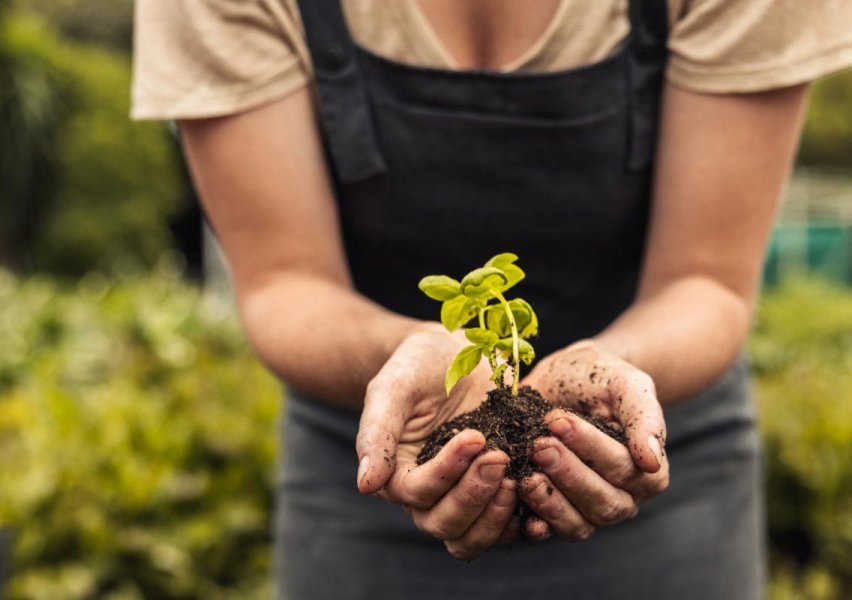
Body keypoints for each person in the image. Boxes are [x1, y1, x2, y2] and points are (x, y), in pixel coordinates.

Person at [132, 1, 852, 598]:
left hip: (656, 458)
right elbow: (284, 282)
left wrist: (613, 368)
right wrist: (406, 353)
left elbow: (707, 280)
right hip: (376, 464)